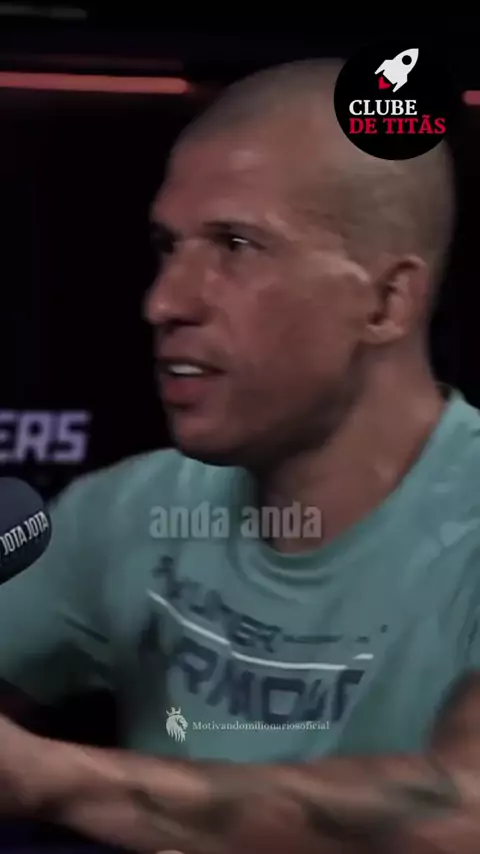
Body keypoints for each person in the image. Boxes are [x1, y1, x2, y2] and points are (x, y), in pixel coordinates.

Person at [0, 58, 479, 854]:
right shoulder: (129, 513)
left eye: (235, 244)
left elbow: (466, 808)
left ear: (386, 300)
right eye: (167, 247)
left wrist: (53, 778)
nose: (164, 302)